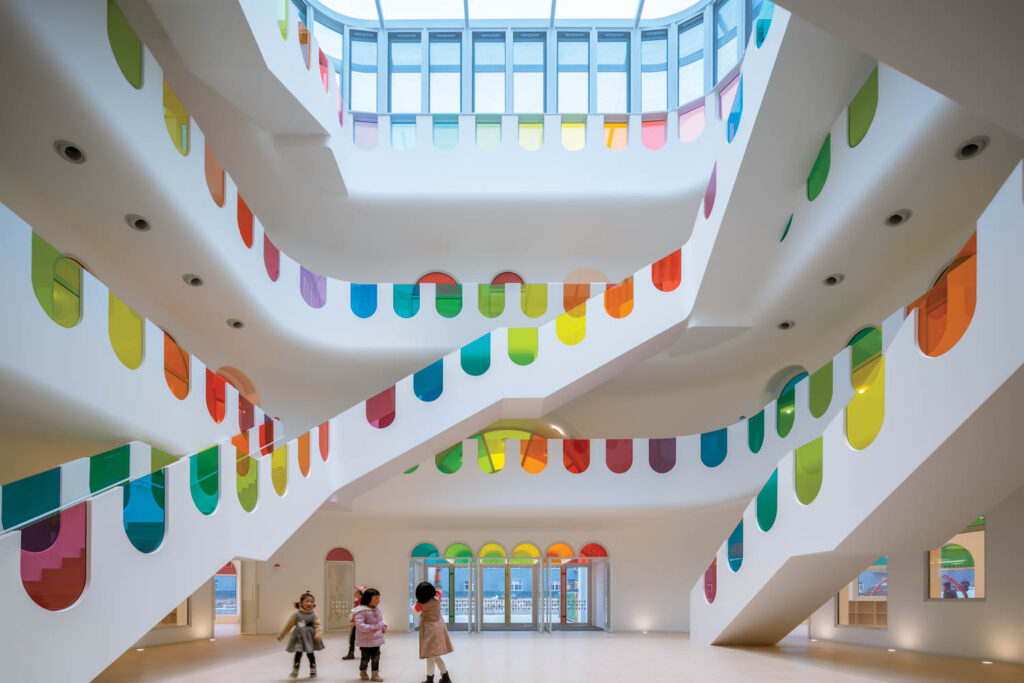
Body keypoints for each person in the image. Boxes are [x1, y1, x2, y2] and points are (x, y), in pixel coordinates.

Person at [277, 591, 325, 679]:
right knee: (298, 653)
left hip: (309, 637)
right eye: (307, 601)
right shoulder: (296, 614)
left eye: (311, 602)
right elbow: (288, 625)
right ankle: (296, 668)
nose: (309, 603)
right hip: (298, 637)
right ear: (301, 603)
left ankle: (313, 667)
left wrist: (318, 633)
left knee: (310, 653)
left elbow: (318, 625)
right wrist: (281, 635)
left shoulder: (314, 615)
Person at [415, 582, 454, 683]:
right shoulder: (437, 597)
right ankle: (446, 678)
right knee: (435, 656)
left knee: (430, 656)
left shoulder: (420, 604)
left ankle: (430, 680)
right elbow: (438, 591)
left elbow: (415, 611)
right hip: (439, 628)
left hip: (428, 631)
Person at [353, 587, 387, 681]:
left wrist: (384, 625)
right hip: (365, 640)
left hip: (376, 639)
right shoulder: (361, 610)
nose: (378, 600)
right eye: (376, 598)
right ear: (368, 598)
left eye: (378, 598)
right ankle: (363, 671)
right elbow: (359, 625)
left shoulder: (377, 609)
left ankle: (375, 674)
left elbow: (380, 621)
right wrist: (371, 628)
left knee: (376, 657)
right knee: (365, 657)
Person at [343, 586, 367, 660]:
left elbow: (361, 614)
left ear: (360, 595)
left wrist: (355, 622)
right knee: (353, 638)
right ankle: (352, 654)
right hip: (357, 624)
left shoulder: (362, 603)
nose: (355, 593)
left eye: (356, 592)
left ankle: (363, 653)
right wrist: (352, 620)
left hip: (359, 624)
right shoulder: (357, 602)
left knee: (358, 639)